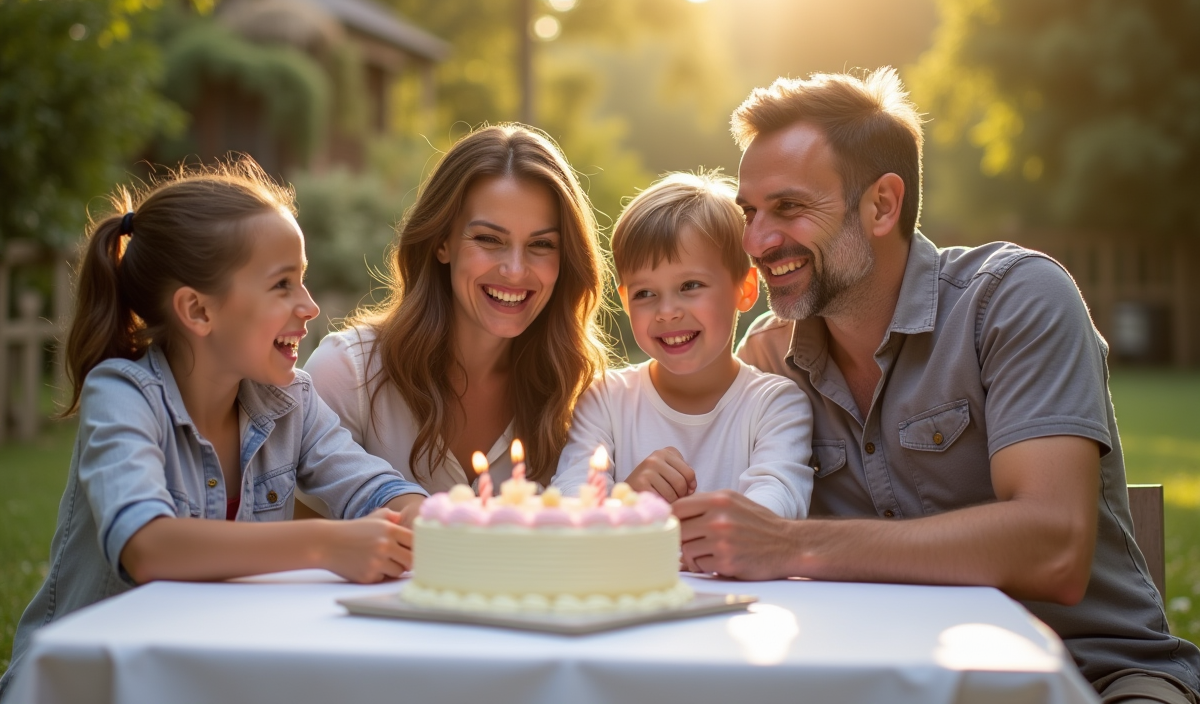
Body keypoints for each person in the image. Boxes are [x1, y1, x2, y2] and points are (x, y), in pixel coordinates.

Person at [674, 68, 1200, 703]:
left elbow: (1053, 551)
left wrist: (790, 545)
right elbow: (720, 538)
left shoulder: (1014, 300)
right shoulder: (766, 355)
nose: (756, 240)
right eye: (749, 212)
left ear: (882, 205)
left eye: (788, 208)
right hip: (880, 680)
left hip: (1093, 674)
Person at [0, 161, 428, 699]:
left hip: (204, 679)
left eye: (303, 278)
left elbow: (374, 488)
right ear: (198, 310)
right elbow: (147, 546)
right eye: (281, 285)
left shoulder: (289, 401)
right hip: (96, 685)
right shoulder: (125, 396)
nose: (310, 306)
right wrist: (325, 543)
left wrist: (435, 520)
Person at [300, 124, 608, 508]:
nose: (514, 269)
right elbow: (297, 547)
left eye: (542, 244)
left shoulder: (582, 395)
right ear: (442, 242)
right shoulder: (346, 375)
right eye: (488, 239)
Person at [554, 172, 812, 520]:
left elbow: (778, 501)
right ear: (627, 303)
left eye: (690, 285)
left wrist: (718, 529)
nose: (667, 312)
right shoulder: (604, 401)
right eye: (645, 293)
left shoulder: (776, 406)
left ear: (745, 290)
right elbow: (568, 508)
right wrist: (625, 499)